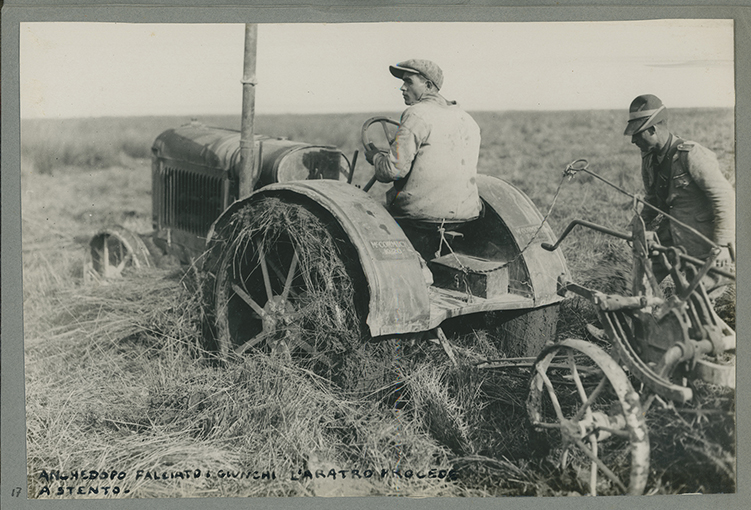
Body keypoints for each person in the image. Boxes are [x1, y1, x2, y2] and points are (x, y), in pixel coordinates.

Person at [624, 94, 735, 282]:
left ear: (652, 130)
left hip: (704, 243)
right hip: (670, 237)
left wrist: (723, 247)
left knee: (695, 305)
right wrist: (636, 229)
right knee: (638, 282)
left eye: (637, 133)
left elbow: (724, 197)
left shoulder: (691, 155)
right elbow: (652, 200)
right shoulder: (649, 159)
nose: (633, 140)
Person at [364, 59, 482, 224]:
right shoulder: (467, 119)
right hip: (467, 213)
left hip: (420, 214)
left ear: (428, 86)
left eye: (408, 81)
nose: (402, 87)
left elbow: (393, 171)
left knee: (365, 215)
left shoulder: (417, 114)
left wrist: (376, 158)